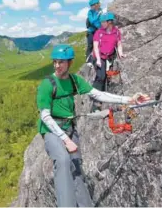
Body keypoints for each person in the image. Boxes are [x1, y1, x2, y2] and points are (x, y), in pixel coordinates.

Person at [36, 44, 150, 207]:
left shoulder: (74, 81)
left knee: (76, 167)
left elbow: (98, 94)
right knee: (63, 160)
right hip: (51, 130)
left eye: (61, 62)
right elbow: (45, 116)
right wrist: (65, 139)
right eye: (55, 62)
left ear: (70, 62)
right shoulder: (47, 85)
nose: (57, 65)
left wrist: (129, 99)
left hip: (69, 128)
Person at [91, 12, 125, 111]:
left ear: (109, 22)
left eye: (103, 21)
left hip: (108, 56)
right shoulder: (99, 32)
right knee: (101, 76)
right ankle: (96, 102)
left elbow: (118, 44)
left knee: (106, 76)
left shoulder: (116, 32)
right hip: (99, 56)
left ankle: (101, 95)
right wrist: (97, 59)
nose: (101, 23)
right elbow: (95, 47)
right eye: (101, 21)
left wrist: (121, 53)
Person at [86, 0, 102, 64]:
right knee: (90, 46)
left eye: (95, 5)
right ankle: (88, 61)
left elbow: (101, 21)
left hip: (98, 31)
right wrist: (97, 15)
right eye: (92, 5)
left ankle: (98, 58)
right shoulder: (90, 12)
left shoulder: (100, 10)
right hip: (91, 31)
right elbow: (92, 21)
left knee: (98, 45)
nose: (93, 7)